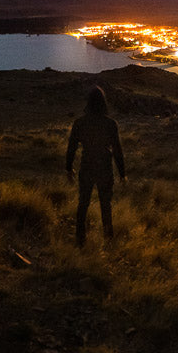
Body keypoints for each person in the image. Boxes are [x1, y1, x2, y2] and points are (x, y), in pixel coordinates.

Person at [66, 86, 126, 247]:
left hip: (86, 167)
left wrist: (68, 168)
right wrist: (122, 173)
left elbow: (71, 147)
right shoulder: (110, 124)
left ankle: (80, 241)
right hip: (105, 168)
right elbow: (117, 150)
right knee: (106, 205)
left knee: (83, 203)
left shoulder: (80, 123)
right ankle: (108, 240)